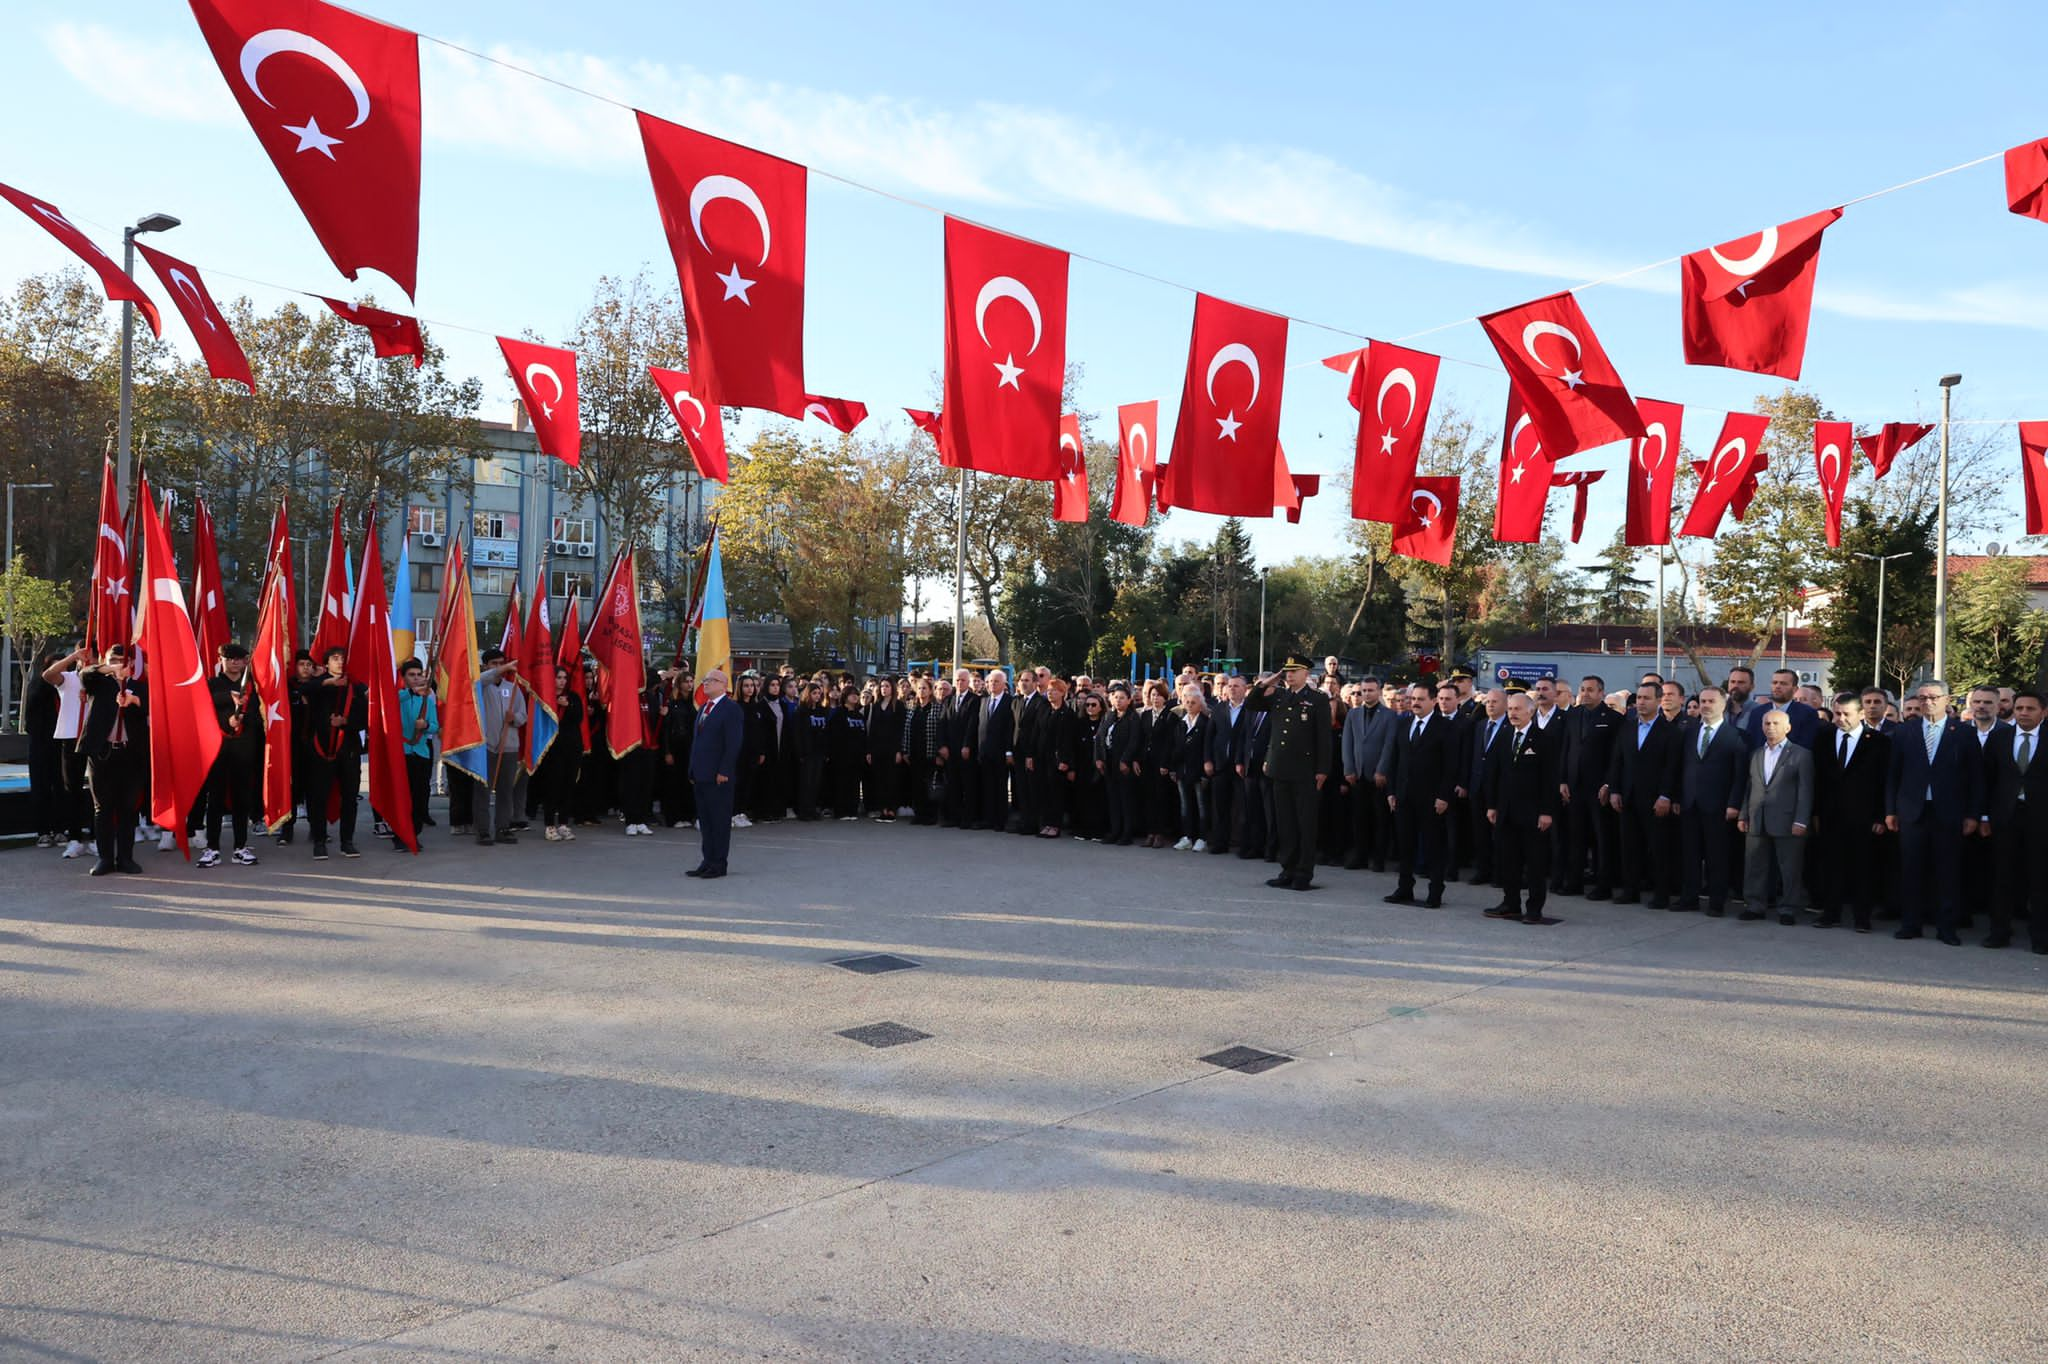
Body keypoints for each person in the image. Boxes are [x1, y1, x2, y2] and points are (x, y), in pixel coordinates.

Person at [1885, 679, 1979, 945]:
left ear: (1946, 700)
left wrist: (1973, 814)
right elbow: (1894, 773)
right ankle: (1910, 923)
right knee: (1911, 869)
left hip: (1948, 812)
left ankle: (1946, 927)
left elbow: (1975, 777)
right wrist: (1890, 810)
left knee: (1947, 871)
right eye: (1923, 697)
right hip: (1912, 811)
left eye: (1933, 697)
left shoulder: (1963, 732)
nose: (1928, 702)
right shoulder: (1906, 731)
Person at [1812, 691, 1890, 932]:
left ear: (1860, 713)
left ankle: (1861, 917)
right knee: (1831, 866)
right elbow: (1817, 778)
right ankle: (1831, 913)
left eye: (1846, 714)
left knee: (1863, 868)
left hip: (1864, 817)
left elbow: (1884, 782)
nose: (1840, 719)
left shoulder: (1878, 742)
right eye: (1837, 713)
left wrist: (1880, 816)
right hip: (1830, 815)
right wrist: (1815, 812)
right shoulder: (1823, 738)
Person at [1484, 691, 1563, 924]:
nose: (1513, 713)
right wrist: (1492, 805)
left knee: (1535, 863)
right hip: (1506, 810)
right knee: (1508, 860)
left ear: (1530, 711)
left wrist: (1547, 811)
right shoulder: (1504, 735)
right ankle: (1510, 902)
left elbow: (1550, 779)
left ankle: (1534, 908)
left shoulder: (1544, 739)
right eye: (1510, 709)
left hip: (1534, 812)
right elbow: (1494, 773)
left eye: (1518, 709)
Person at [1254, 658, 1331, 891]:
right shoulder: (1279, 695)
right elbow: (1252, 702)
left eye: (1294, 671)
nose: (1289, 675)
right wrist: (1269, 681)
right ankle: (1287, 869)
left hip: (1305, 770)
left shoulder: (1317, 699)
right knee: (1285, 823)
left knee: (1305, 823)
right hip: (1280, 768)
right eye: (1286, 671)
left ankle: (1303, 872)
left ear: (1306, 673)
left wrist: (1322, 769)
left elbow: (1324, 738)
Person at [1675, 686, 1750, 917]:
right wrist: (1678, 797)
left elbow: (1740, 775)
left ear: (1723, 704)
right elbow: (1681, 768)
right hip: (1690, 803)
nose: (1706, 705)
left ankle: (1716, 902)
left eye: (1711, 701)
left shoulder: (1736, 736)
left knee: (1717, 856)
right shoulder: (1688, 732)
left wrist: (1734, 804)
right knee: (1690, 854)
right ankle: (1689, 898)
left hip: (1719, 806)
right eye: (1703, 701)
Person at [1982, 688, 2048, 951]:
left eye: (2030, 709)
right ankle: (1999, 932)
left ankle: (2040, 937)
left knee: (2040, 879)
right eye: (2019, 708)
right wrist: (1984, 815)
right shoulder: (2000, 737)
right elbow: (1988, 780)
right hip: (2005, 818)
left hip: (2041, 819)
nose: (2023, 713)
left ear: (2043, 712)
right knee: (2002, 877)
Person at [1606, 680, 1682, 907]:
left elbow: (1672, 767)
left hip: (1656, 799)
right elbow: (1617, 761)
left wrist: (1666, 796)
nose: (1641, 702)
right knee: (1629, 846)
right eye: (1638, 698)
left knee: (1659, 848)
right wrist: (1615, 790)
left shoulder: (1670, 731)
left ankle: (1661, 894)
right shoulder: (1627, 728)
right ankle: (1630, 890)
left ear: (1659, 701)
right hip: (1628, 797)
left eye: (1646, 698)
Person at [1382, 682, 1457, 907]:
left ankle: (1435, 890)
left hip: (1432, 798)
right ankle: (1404, 888)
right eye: (1413, 698)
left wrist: (1444, 796)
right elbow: (1395, 760)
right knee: (1405, 844)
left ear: (1433, 701)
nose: (1415, 703)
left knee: (1434, 846)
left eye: (1421, 699)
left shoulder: (1445, 727)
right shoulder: (1403, 724)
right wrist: (1392, 791)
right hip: (1404, 796)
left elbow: (1451, 766)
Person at [76, 644, 147, 876]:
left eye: (122, 660)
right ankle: (105, 858)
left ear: (131, 664)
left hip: (131, 754)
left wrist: (134, 701)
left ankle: (126, 858)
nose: (118, 664)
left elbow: (155, 706)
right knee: (103, 808)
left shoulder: (140, 686)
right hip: (102, 752)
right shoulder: (99, 683)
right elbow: (85, 673)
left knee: (128, 808)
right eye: (112, 659)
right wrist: (109, 669)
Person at [1738, 709, 1814, 925]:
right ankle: (1754, 905)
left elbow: (1805, 790)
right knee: (1754, 864)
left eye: (1776, 723)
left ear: (1787, 727)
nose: (1770, 727)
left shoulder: (1801, 754)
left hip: (1788, 820)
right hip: (1757, 817)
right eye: (1767, 723)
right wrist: (1744, 814)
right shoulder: (1755, 754)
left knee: (1789, 867)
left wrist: (1801, 820)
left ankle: (1788, 908)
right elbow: (1749, 786)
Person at [200, 643, 264, 867]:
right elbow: (204, 711)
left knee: (241, 800)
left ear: (245, 661)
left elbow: (258, 718)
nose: (234, 662)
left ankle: (240, 847)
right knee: (215, 799)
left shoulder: (252, 687)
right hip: (217, 750)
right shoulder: (211, 684)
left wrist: (244, 717)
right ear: (221, 659)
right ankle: (212, 848)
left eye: (239, 658)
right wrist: (229, 711)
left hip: (244, 750)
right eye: (229, 658)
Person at [1559, 675, 1621, 899]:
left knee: (1602, 838)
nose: (1585, 693)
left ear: (1601, 693)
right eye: (1582, 689)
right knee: (1576, 835)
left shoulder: (1613, 718)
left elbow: (1616, 756)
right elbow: (1566, 748)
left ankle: (1603, 884)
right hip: (1575, 785)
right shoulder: (1573, 715)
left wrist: (1608, 783)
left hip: (1599, 787)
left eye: (1590, 690)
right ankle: (1574, 881)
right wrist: (1563, 780)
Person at [305, 646, 368, 860]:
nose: (340, 662)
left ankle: (347, 841)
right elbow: (307, 692)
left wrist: (347, 722)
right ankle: (319, 841)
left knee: (350, 797)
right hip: (321, 750)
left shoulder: (356, 687)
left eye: (343, 658)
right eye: (335, 658)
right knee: (319, 797)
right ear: (326, 663)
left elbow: (366, 717)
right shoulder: (318, 684)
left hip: (348, 750)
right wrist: (327, 682)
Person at [687, 668, 743, 878]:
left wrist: (724, 770)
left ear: (722, 684)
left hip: (719, 776)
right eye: (704, 681)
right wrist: (692, 769)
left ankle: (719, 863)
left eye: (709, 680)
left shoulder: (731, 709)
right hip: (701, 774)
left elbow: (733, 744)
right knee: (706, 821)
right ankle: (707, 860)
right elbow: (698, 742)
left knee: (719, 821)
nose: (705, 684)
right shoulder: (704, 708)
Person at [1342, 676, 1396, 871]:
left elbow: (1389, 745)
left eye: (1370, 690)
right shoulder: (1353, 714)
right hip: (1358, 774)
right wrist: (1348, 769)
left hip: (1379, 776)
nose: (1366, 694)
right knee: (1359, 819)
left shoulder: (1389, 716)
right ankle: (1360, 856)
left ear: (1379, 691)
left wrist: (1382, 770)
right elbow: (1347, 743)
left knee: (1380, 819)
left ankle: (1379, 858)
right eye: (1363, 690)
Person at [475, 649, 527, 846]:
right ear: (486, 665)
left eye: (501, 663)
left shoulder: (513, 688)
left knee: (506, 790)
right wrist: (502, 669)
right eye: (494, 664)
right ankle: (482, 830)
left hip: (509, 746)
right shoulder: (481, 685)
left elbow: (523, 715)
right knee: (483, 790)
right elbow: (479, 679)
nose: (499, 667)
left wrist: (515, 719)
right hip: (486, 746)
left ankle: (503, 827)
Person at [1461, 687, 1510, 888]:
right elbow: (1472, 756)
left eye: (1495, 702)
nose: (1490, 705)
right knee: (1480, 832)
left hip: (1499, 788)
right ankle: (1483, 870)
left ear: (1506, 705)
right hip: (1478, 786)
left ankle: (1501, 873)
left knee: (1499, 834)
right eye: (1488, 702)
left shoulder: (1510, 726)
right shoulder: (1480, 725)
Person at [1205, 674, 1253, 855]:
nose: (1232, 689)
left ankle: (1243, 843)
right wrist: (1207, 759)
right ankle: (1220, 842)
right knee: (1220, 807)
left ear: (1244, 689)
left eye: (1236, 686)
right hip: (1220, 765)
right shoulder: (1219, 709)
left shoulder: (1250, 710)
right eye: (1230, 686)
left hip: (1240, 766)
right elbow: (1209, 736)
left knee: (1243, 807)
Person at [539, 664, 583, 841]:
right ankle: (549, 825)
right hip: (552, 749)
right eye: (559, 678)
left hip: (571, 747)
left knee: (568, 785)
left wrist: (569, 705)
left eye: (564, 678)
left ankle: (563, 824)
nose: (562, 681)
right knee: (552, 787)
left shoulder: (573, 697)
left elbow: (578, 717)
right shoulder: (545, 696)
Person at [1097, 681, 1142, 846]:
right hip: (1109, 762)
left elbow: (1134, 741)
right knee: (1113, 799)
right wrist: (1099, 758)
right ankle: (1115, 830)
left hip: (1123, 763)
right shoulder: (1109, 716)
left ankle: (1126, 832)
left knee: (1125, 800)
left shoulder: (1133, 718)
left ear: (1129, 700)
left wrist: (1126, 760)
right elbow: (1100, 738)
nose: (1118, 701)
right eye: (1115, 698)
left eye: (1122, 698)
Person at [1169, 682, 1212, 850]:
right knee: (1185, 805)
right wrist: (1173, 768)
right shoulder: (1181, 722)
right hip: (1182, 770)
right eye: (1187, 702)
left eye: (1193, 702)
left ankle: (1202, 837)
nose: (1189, 705)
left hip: (1198, 770)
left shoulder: (1206, 722)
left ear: (1200, 703)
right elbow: (1175, 747)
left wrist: (1204, 771)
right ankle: (1187, 836)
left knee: (1202, 805)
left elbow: (1206, 747)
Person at [1742, 668, 1823, 749]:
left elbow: (1806, 745)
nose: (1777, 686)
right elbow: (1751, 744)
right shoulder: (1757, 713)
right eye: (1774, 683)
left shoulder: (1807, 714)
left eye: (1783, 683)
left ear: (1795, 689)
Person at [901, 675, 945, 826]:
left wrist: (939, 753)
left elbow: (940, 731)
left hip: (930, 752)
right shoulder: (911, 708)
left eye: (924, 688)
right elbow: (906, 731)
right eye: (919, 688)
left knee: (929, 784)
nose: (921, 691)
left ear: (931, 691)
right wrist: (905, 751)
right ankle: (919, 814)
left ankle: (930, 815)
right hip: (914, 752)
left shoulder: (937, 707)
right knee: (917, 784)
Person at [866, 677, 906, 822]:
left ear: (892, 688)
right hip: (877, 748)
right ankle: (883, 809)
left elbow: (900, 729)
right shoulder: (875, 706)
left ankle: (891, 810)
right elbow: (871, 729)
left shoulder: (899, 705)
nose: (884, 688)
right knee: (880, 779)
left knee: (892, 779)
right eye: (882, 686)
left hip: (892, 748)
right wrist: (869, 750)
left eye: (887, 686)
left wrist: (898, 750)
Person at [792, 681, 831, 820]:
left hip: (819, 752)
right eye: (814, 693)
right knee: (806, 783)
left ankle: (813, 808)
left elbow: (826, 732)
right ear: (808, 694)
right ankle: (804, 810)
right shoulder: (801, 712)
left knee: (816, 782)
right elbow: (798, 734)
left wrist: (826, 751)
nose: (817, 696)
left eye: (819, 694)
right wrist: (800, 752)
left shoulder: (823, 711)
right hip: (807, 752)